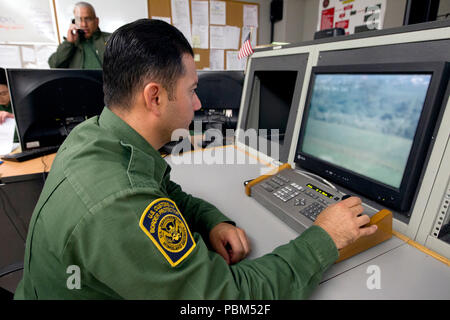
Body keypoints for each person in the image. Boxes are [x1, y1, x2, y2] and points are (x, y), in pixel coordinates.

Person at [15, 19, 377, 300]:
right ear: (154, 97)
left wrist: (211, 220)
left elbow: (162, 190)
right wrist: (324, 238)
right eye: (191, 91)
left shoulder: (94, 134)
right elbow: (228, 297)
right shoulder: (118, 203)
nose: (199, 104)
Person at [48, 2, 110, 69]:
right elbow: (54, 65)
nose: (84, 24)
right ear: (74, 22)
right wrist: (69, 43)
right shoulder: (70, 45)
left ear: (96, 21)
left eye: (88, 19)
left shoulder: (111, 39)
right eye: (79, 20)